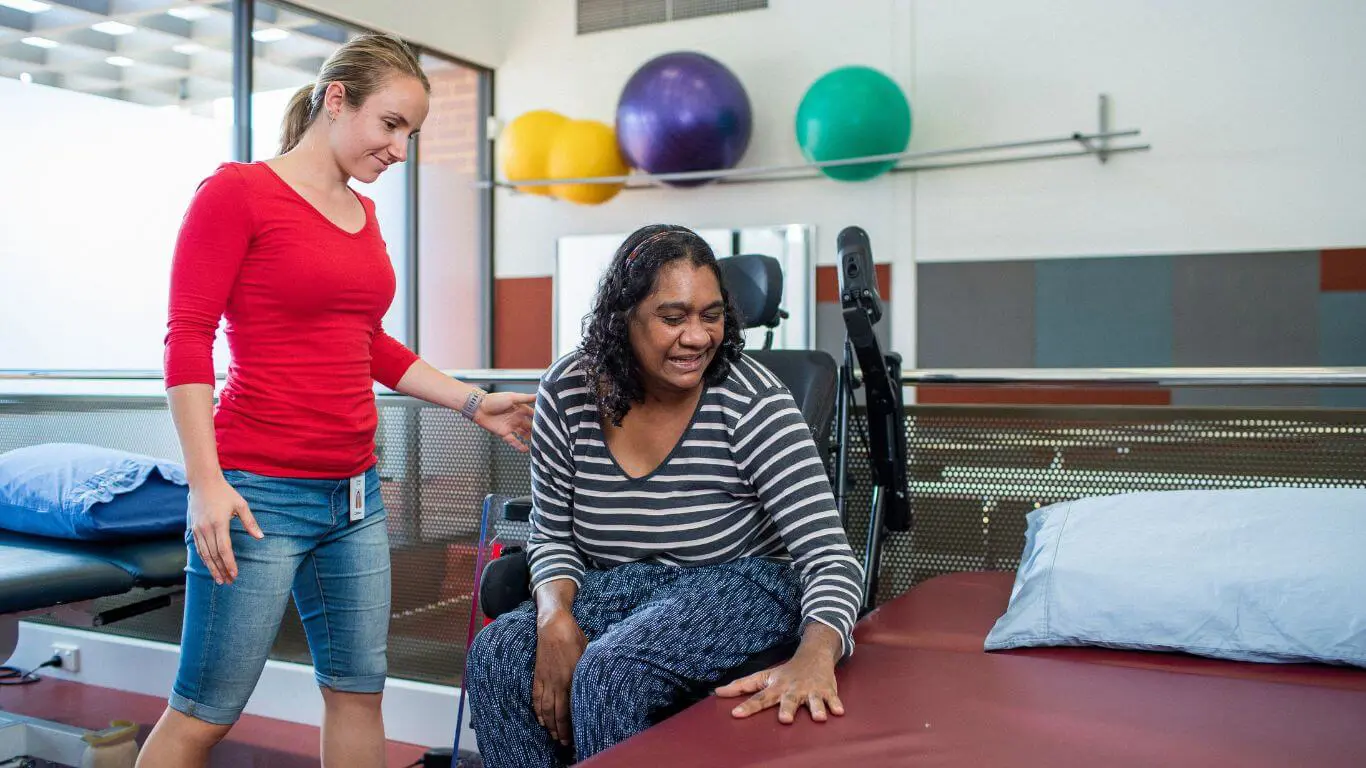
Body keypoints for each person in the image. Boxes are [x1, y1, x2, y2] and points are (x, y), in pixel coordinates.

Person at [138, 34, 535, 768]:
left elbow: (370, 343)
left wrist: (473, 402)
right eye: (391, 125)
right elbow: (186, 339)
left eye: (410, 133)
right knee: (204, 711)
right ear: (336, 98)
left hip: (355, 499)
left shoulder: (363, 216)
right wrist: (205, 484)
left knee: (358, 690)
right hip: (258, 494)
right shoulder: (237, 194)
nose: (401, 148)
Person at [464, 224, 865, 766]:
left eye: (712, 315)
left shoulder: (753, 402)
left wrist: (817, 654)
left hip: (745, 577)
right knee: (498, 655)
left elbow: (830, 559)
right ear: (622, 318)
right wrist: (553, 616)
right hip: (626, 582)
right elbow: (552, 532)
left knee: (613, 673)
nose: (698, 337)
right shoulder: (569, 390)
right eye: (673, 318)